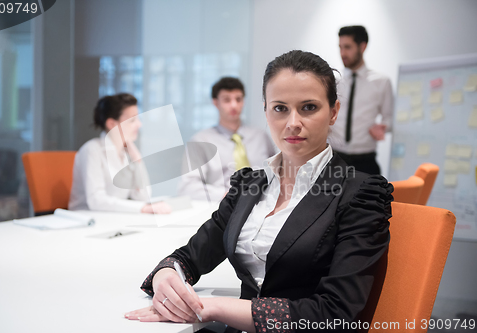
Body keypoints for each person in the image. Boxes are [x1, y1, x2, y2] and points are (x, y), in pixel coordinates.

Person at [125, 51, 393, 332]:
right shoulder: (249, 186)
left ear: (334, 112)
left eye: (309, 107)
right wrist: (167, 274)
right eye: (280, 108)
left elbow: (335, 313)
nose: (293, 123)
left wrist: (213, 308)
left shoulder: (360, 194)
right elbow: (190, 256)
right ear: (265, 110)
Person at [69, 93, 171, 214]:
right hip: (87, 220)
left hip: (114, 218)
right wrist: (141, 208)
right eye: (132, 120)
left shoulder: (127, 154)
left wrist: (138, 160)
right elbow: (96, 201)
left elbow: (143, 196)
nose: (139, 124)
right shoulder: (92, 150)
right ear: (112, 124)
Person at [178, 77, 276, 202]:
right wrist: (226, 195)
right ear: (215, 102)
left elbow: (277, 174)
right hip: (222, 207)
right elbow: (187, 187)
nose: (234, 105)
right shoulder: (200, 141)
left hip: (262, 204)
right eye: (227, 100)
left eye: (238, 99)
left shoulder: (261, 136)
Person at [329, 25, 394, 175]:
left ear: (362, 47)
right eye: (340, 47)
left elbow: (389, 119)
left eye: (348, 47)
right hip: (335, 160)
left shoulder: (381, 82)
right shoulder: (333, 81)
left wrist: (383, 127)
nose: (342, 53)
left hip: (365, 162)